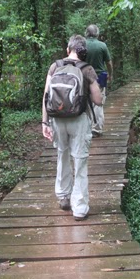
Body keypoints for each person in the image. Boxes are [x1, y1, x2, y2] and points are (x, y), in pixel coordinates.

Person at [42, 35, 103, 221]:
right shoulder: (87, 69)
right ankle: (80, 208)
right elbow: (98, 100)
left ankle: (63, 197)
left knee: (62, 155)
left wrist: (44, 122)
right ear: (83, 52)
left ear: (68, 49)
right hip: (79, 120)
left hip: (57, 120)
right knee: (80, 162)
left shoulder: (55, 66)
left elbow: (46, 96)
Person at [84, 24, 113, 137]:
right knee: (98, 103)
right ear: (97, 33)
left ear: (86, 33)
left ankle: (86, 127)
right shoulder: (102, 45)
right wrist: (110, 74)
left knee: (86, 102)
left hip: (85, 77)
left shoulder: (82, 45)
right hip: (99, 77)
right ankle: (96, 129)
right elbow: (109, 63)